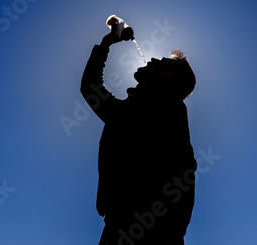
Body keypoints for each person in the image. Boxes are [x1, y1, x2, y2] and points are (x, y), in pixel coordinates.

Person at [81, 28, 197, 245]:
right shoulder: (139, 108)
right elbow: (91, 90)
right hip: (124, 222)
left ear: (165, 74)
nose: (151, 58)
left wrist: (174, 229)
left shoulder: (165, 107)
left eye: (160, 60)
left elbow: (184, 170)